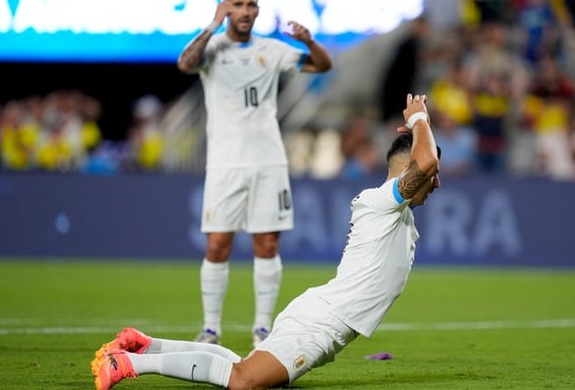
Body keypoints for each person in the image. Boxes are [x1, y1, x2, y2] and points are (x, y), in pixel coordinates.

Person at [90, 93, 441, 390]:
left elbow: (424, 162)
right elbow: (425, 161)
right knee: (244, 380)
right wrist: (419, 119)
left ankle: (147, 346)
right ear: (409, 166)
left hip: (319, 315)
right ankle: (129, 364)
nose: (436, 182)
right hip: (321, 325)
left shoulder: (398, 212)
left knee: (245, 367)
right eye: (434, 176)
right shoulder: (382, 202)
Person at [176, 0, 333, 347]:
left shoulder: (271, 49)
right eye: (237, 5)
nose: (245, 11)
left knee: (267, 243)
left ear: (258, 10)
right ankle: (211, 329)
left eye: (251, 5)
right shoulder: (212, 48)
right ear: (225, 9)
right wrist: (211, 26)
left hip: (268, 161)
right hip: (224, 163)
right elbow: (185, 64)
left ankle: (262, 329)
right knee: (217, 244)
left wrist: (308, 41)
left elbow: (324, 64)